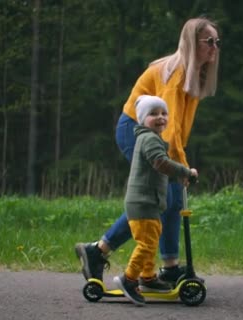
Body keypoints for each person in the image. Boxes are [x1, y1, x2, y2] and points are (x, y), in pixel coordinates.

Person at [75, 16, 220, 285]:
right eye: (208, 41)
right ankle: (109, 253)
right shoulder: (176, 75)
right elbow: (168, 127)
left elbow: (179, 131)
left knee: (169, 197)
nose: (214, 46)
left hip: (156, 131)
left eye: (217, 42)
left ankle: (160, 264)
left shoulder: (194, 75)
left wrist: (181, 165)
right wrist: (181, 169)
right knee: (156, 196)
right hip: (136, 128)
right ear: (191, 42)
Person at [113, 95, 198, 305]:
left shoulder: (149, 138)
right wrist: (185, 172)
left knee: (150, 240)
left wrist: (179, 175)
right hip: (143, 203)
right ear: (142, 119)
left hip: (146, 203)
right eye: (153, 114)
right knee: (147, 243)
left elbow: (159, 169)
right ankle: (129, 279)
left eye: (163, 113)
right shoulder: (150, 139)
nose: (160, 118)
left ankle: (148, 278)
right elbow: (161, 163)